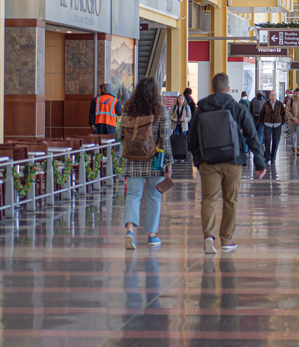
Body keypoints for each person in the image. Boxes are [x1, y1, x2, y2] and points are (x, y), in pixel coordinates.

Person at [188, 73, 266, 254]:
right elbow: (252, 135)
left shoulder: (201, 109)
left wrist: (199, 161)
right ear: (228, 89)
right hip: (233, 161)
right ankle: (227, 240)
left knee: (208, 200)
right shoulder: (237, 107)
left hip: (209, 162)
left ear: (212, 88)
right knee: (231, 201)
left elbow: (192, 139)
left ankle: (209, 236)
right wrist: (259, 162)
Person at [119, 77, 174, 250]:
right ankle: (151, 235)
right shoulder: (161, 111)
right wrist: (169, 164)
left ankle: (130, 231)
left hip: (132, 159)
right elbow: (165, 139)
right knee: (153, 197)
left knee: (133, 195)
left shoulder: (128, 110)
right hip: (154, 160)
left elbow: (121, 136)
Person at [259, 89, 286, 164]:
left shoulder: (280, 104)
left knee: (276, 141)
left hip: (277, 124)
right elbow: (262, 113)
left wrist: (282, 122)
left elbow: (284, 114)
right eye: (272, 95)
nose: (273, 96)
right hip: (267, 124)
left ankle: (273, 156)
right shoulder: (266, 104)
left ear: (276, 96)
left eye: (274, 95)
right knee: (267, 139)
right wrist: (263, 121)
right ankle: (267, 156)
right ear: (269, 96)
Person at [286, 89, 299, 155]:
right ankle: (294, 147)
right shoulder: (290, 101)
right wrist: (294, 119)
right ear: (294, 93)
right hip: (292, 121)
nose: (297, 95)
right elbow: (287, 111)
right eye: (296, 93)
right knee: (292, 136)